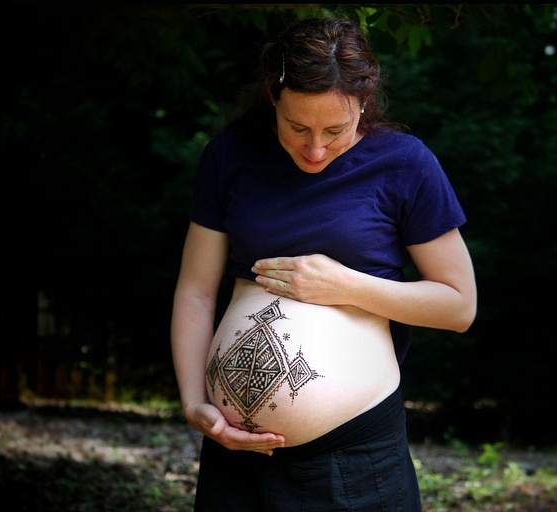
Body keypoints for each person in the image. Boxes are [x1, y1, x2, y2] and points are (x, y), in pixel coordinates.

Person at [171, 15, 477, 512]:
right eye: (297, 127)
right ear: (273, 94)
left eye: (336, 129)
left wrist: (346, 286)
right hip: (234, 461)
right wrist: (194, 403)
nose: (315, 149)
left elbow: (459, 306)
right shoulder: (230, 156)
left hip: (353, 462)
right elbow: (196, 291)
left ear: (364, 101)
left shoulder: (404, 163)